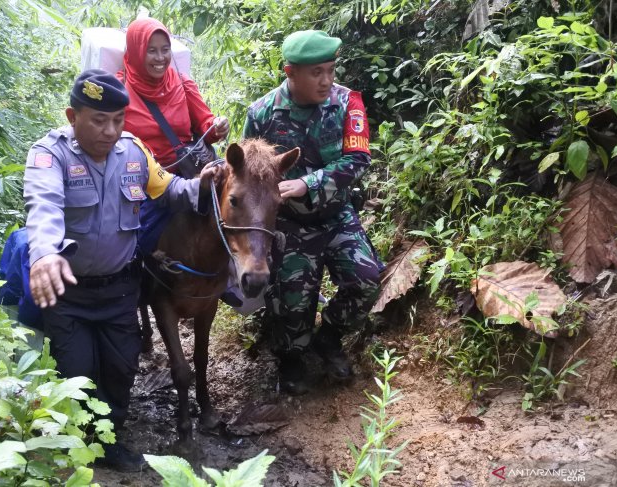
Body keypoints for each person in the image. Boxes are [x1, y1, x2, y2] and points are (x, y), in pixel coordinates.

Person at [23, 69, 219, 472]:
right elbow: (42, 206)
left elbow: (168, 189)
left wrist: (200, 183)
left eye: (118, 120)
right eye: (98, 120)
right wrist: (44, 253)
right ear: (72, 115)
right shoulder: (50, 155)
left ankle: (110, 442)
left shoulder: (134, 152)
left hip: (118, 291)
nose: (110, 131)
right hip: (70, 294)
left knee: (121, 369)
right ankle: (77, 448)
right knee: (77, 371)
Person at [243, 30, 381, 395]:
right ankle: (291, 357)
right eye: (316, 72)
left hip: (336, 215)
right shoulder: (261, 114)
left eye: (330, 70)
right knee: (289, 301)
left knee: (365, 280)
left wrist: (308, 184)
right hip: (288, 223)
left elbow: (358, 158)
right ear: (290, 72)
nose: (326, 80)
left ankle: (330, 338)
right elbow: (250, 173)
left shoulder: (347, 103)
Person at [120, 17, 229, 169]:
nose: (160, 58)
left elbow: (206, 125)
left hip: (184, 176)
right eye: (151, 51)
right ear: (136, 52)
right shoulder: (118, 89)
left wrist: (217, 126)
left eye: (165, 50)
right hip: (138, 180)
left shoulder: (182, 83)